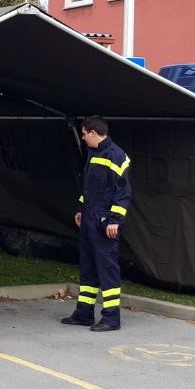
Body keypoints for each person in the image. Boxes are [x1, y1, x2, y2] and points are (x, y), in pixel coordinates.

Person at [61, 116, 133, 332]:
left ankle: (111, 318)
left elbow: (123, 193)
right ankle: (84, 313)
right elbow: (90, 189)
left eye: (84, 134)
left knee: (107, 269)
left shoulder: (117, 156)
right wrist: (81, 209)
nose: (83, 138)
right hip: (89, 219)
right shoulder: (93, 154)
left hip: (104, 223)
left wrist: (115, 221)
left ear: (93, 132)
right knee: (88, 268)